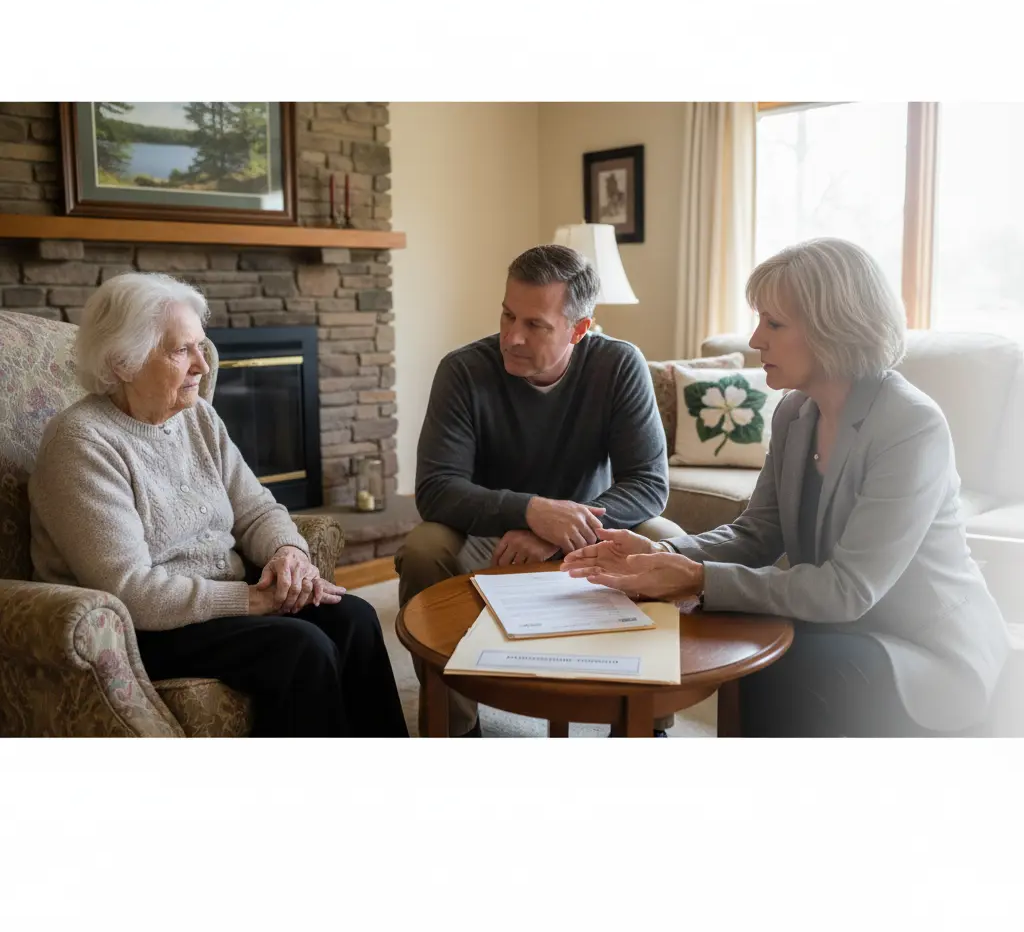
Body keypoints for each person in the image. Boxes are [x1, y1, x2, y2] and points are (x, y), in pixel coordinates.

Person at [563, 236, 1010, 737]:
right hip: (843, 625)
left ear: (834, 329)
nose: (755, 340)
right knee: (750, 645)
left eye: (773, 324)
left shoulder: (911, 426)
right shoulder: (796, 412)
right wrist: (663, 554)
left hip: (925, 650)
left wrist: (696, 579)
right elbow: (760, 530)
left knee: (784, 664)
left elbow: (848, 589)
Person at [28, 272, 408, 738]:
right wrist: (251, 600)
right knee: (301, 648)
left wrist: (290, 554)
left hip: (220, 598)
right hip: (145, 628)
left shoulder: (198, 418)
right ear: (123, 362)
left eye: (200, 347)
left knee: (356, 617)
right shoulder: (82, 442)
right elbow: (128, 587)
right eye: (180, 350)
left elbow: (256, 509)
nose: (202, 367)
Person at [396, 243, 683, 736]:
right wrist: (530, 512)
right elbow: (437, 489)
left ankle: (644, 723)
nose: (512, 336)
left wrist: (559, 530)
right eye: (508, 315)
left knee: (666, 535)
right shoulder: (463, 371)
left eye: (535, 325)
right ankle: (455, 726)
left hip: (588, 529)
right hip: (490, 530)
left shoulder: (618, 366)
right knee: (424, 548)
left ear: (579, 329)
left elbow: (649, 483)